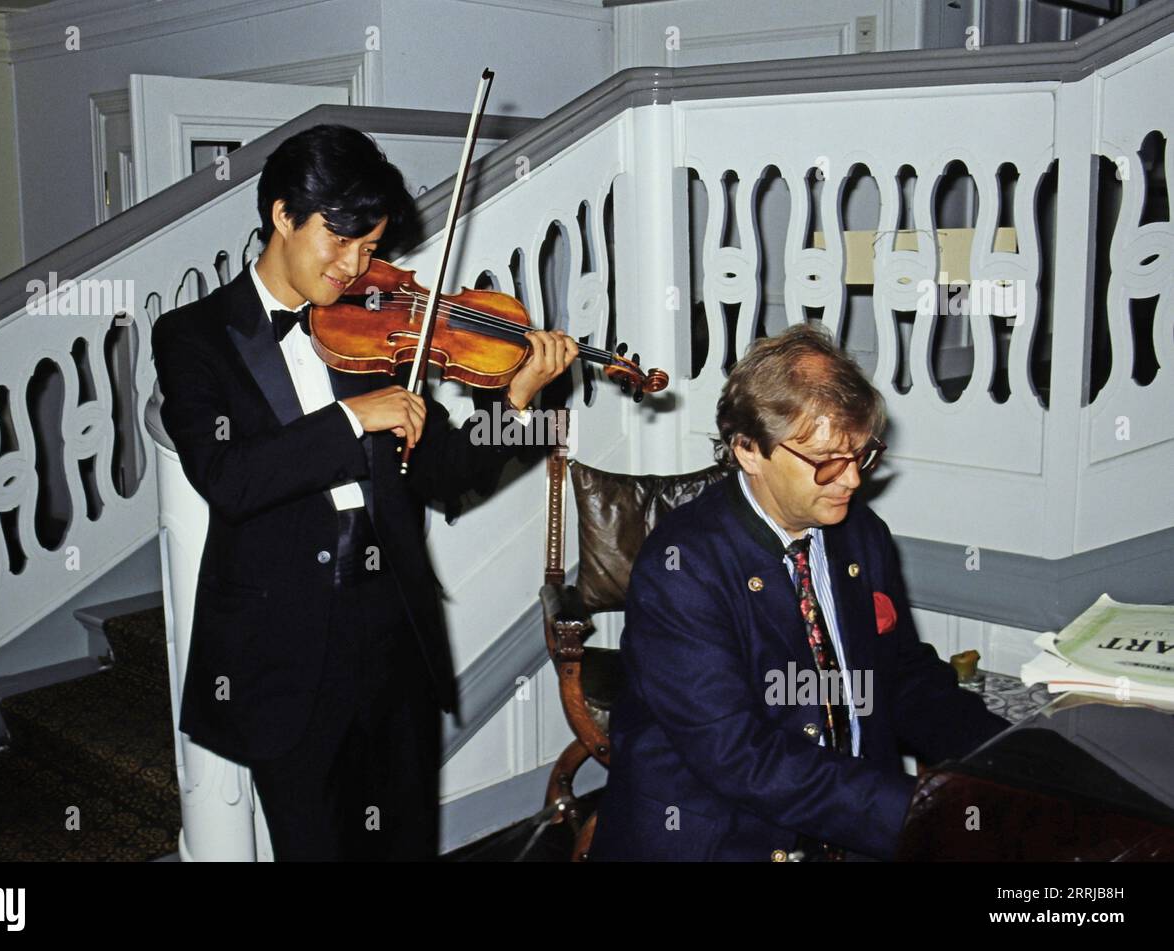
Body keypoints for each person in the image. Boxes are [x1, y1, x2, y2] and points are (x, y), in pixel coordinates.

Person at [151, 124, 577, 860]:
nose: (355, 266)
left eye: (372, 248)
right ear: (282, 215)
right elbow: (229, 478)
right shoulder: (192, 336)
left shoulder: (375, 325)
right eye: (340, 240)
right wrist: (352, 418)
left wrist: (517, 405)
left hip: (391, 638)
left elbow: (446, 475)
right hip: (283, 651)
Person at [589, 324, 1008, 862]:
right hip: (721, 838)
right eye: (826, 461)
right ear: (748, 450)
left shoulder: (861, 534)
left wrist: (1007, 762)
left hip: (847, 819)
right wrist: (918, 815)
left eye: (861, 454)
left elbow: (900, 677)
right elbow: (740, 756)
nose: (852, 479)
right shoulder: (682, 566)